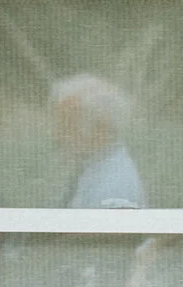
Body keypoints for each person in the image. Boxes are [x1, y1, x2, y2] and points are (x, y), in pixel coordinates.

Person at [49, 73, 145, 210]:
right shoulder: (94, 168)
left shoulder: (115, 188)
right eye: (58, 125)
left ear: (101, 128)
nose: (56, 136)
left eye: (67, 126)